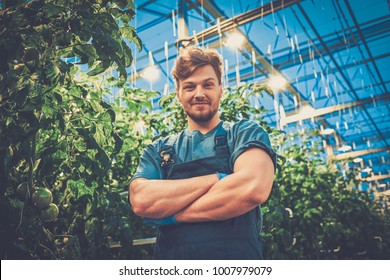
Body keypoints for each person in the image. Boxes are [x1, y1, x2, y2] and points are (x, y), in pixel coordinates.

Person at [129, 46, 277, 260]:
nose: (199, 94)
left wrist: (172, 216)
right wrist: (218, 179)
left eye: (208, 85)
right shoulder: (159, 149)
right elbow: (142, 200)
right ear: (178, 95)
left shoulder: (243, 133)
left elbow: (252, 188)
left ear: (220, 90)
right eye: (189, 87)